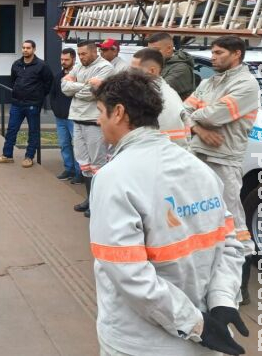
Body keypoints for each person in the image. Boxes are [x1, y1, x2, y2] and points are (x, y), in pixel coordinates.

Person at [90, 70, 248, 356]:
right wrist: (223, 300)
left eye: (100, 111)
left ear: (119, 113)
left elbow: (129, 274)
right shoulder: (199, 169)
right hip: (206, 336)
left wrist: (195, 324)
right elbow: (230, 242)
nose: (97, 119)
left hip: (141, 341)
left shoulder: (115, 178)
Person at [183, 36, 260, 305]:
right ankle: (211, 276)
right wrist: (199, 127)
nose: (212, 57)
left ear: (236, 54)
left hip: (224, 159)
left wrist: (199, 114)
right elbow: (184, 111)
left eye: (218, 52)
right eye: (212, 52)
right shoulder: (209, 81)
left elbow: (215, 115)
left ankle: (242, 286)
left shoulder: (246, 85)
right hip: (199, 153)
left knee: (234, 223)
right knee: (202, 215)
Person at [61, 40, 113, 217]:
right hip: (77, 118)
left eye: (83, 54)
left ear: (93, 52)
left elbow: (93, 94)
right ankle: (89, 199)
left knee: (98, 165)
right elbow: (65, 89)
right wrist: (83, 86)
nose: (80, 57)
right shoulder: (79, 67)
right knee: (84, 164)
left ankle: (99, 203)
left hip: (94, 122)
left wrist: (76, 87)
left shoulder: (105, 67)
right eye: (79, 54)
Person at [0, 40, 53, 168]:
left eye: (28, 48)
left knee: (33, 131)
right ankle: (7, 155)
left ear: (34, 49)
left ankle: (29, 157)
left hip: (33, 104)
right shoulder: (16, 64)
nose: (25, 50)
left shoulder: (41, 65)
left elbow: (48, 83)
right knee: (11, 130)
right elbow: (13, 81)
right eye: (23, 48)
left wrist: (38, 97)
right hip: (17, 104)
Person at [129, 48, 191, 148]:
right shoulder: (147, 92)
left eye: (134, 70)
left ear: (152, 70)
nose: (130, 73)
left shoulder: (162, 98)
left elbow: (172, 141)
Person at [49, 48, 83, 182]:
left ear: (74, 59)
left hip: (74, 118)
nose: (63, 62)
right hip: (60, 117)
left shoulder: (79, 76)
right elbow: (53, 94)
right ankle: (69, 169)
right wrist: (55, 109)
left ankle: (80, 173)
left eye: (66, 59)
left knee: (78, 146)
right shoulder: (58, 76)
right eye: (62, 59)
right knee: (64, 144)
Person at [147, 32, 196, 100]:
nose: (151, 54)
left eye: (156, 50)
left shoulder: (181, 69)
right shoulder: (158, 63)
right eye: (149, 51)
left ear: (169, 48)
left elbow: (159, 90)